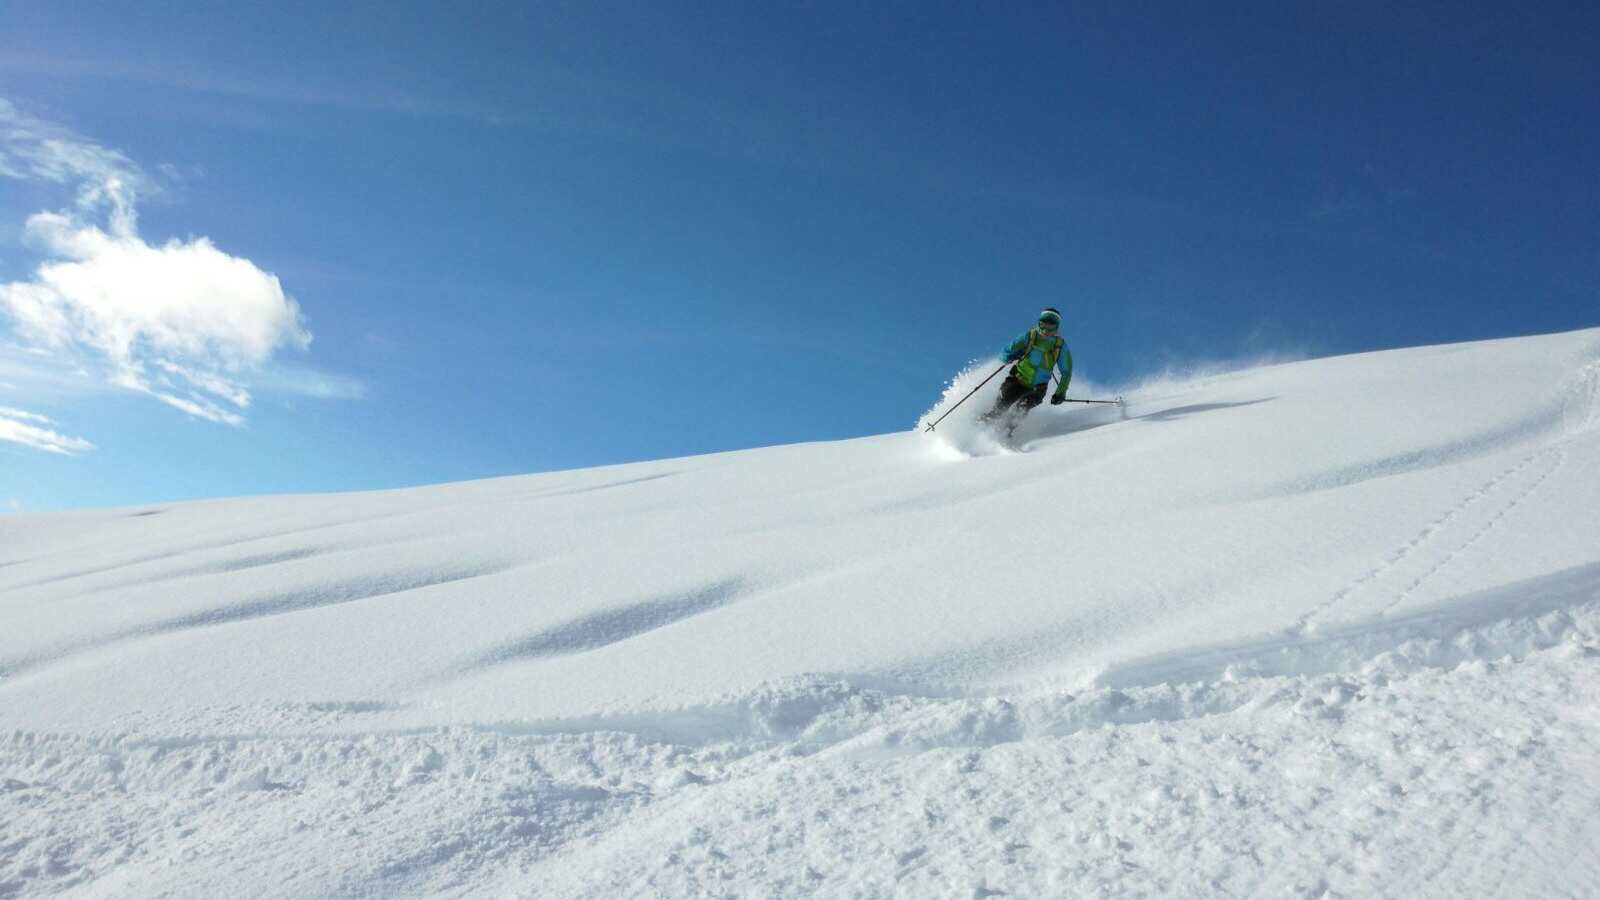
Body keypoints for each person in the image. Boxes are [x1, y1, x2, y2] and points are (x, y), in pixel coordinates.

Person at [980, 307, 1072, 429]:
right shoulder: (1030, 336)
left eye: (1051, 327)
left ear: (1056, 327)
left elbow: (1066, 372)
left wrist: (1060, 393)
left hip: (1037, 389)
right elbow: (1006, 351)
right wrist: (1010, 357)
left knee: (1019, 411)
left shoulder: (1059, 346)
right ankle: (981, 425)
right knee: (1001, 406)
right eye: (1043, 324)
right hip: (1017, 380)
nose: (1046, 330)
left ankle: (1004, 434)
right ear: (1039, 322)